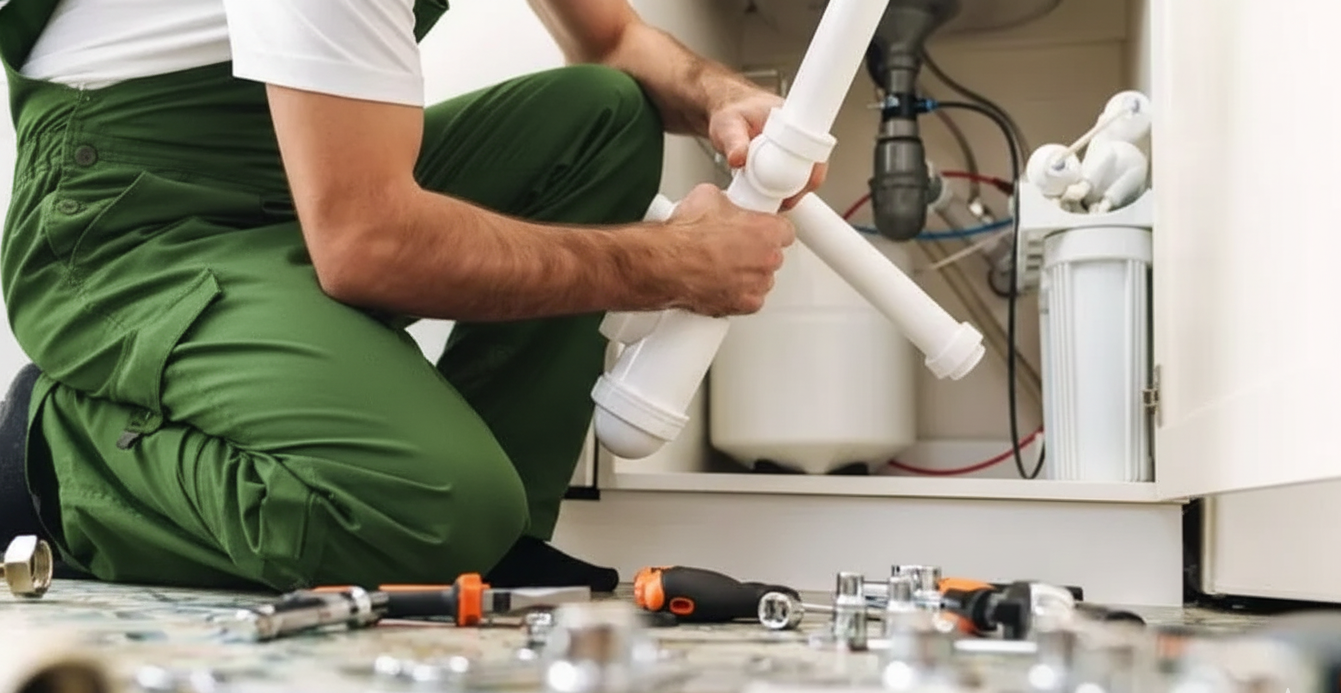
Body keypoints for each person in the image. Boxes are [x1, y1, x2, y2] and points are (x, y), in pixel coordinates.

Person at [0, 0, 820, 592]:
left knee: (599, 117)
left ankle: (495, 548)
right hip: (129, 215)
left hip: (290, 174)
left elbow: (613, 39)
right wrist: (673, 263)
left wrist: (721, 96)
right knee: (429, 508)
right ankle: (55, 454)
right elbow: (368, 244)